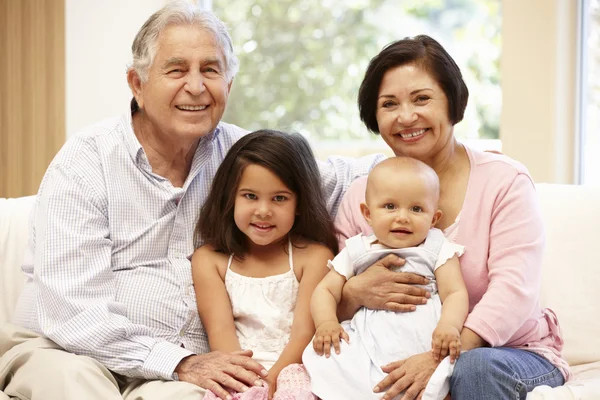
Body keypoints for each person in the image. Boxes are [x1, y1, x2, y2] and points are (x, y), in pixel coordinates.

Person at [0, 2, 383, 400]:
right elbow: (71, 313)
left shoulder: (242, 156)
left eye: (211, 70)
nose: (197, 86)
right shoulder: (85, 161)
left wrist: (440, 156)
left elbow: (345, 176)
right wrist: (178, 362)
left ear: (229, 87)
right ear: (137, 83)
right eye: (177, 69)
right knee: (78, 387)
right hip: (66, 351)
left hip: (182, 372)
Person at [332, 34, 570, 400]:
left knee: (474, 370)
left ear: (452, 102)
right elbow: (336, 293)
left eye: (422, 98)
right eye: (389, 104)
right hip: (393, 358)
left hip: (508, 353)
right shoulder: (360, 196)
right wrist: (352, 293)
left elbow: (514, 290)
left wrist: (440, 357)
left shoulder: (504, 181)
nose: (406, 116)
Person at [302, 156, 468, 400]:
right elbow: (325, 290)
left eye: (416, 209)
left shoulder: (436, 247)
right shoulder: (358, 250)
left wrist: (449, 326)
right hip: (368, 340)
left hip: (422, 340)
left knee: (436, 386)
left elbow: (455, 292)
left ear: (434, 218)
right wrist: (326, 322)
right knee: (333, 362)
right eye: (390, 206)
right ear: (367, 214)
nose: (402, 217)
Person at [194, 130, 336, 400]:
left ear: (299, 203)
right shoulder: (210, 260)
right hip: (237, 369)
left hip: (296, 367)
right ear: (230, 197)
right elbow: (220, 332)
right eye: (250, 196)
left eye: (279, 198)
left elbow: (304, 332)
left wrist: (271, 382)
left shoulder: (314, 257)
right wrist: (248, 382)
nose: (263, 211)